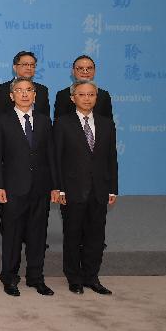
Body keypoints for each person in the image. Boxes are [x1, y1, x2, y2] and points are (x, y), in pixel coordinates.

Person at [0, 77, 58, 297]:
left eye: (28, 90)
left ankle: (35, 277)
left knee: (38, 235)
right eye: (19, 90)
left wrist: (55, 186)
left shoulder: (44, 121)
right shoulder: (2, 121)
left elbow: (51, 155)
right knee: (12, 236)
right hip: (12, 188)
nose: (24, 94)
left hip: (40, 187)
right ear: (11, 95)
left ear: (34, 95)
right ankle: (9, 277)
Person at [55, 79, 118, 295]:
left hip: (99, 190)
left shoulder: (107, 124)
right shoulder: (62, 123)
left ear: (96, 98)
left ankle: (92, 277)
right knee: (73, 234)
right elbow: (57, 158)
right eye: (82, 94)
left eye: (91, 94)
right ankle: (74, 278)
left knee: (96, 236)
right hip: (72, 190)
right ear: (73, 98)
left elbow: (111, 159)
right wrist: (59, 188)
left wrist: (112, 188)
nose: (87, 98)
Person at [0, 51, 50, 119]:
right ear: (15, 67)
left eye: (32, 65)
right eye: (25, 64)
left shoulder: (42, 90)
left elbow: (46, 118)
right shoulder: (2, 89)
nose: (29, 68)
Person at [53, 55, 113, 120]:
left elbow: (108, 123)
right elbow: (59, 123)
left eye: (89, 68)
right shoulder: (62, 95)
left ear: (94, 71)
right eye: (80, 68)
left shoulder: (104, 95)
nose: (85, 72)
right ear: (73, 72)